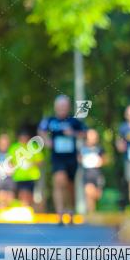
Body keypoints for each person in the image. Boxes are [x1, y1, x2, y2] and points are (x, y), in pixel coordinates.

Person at [38, 95, 86, 223]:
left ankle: (70, 210)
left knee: (69, 185)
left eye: (64, 106)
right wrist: (47, 141)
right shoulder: (50, 121)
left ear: (68, 107)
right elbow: (41, 131)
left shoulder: (74, 121)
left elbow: (85, 133)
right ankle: (59, 214)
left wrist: (73, 133)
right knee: (59, 181)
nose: (62, 109)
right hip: (57, 158)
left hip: (71, 158)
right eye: (60, 106)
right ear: (55, 107)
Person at [9, 127, 44, 208]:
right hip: (19, 177)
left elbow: (40, 161)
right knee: (22, 194)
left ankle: (29, 209)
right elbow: (10, 162)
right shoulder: (14, 147)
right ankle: (23, 209)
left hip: (32, 177)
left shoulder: (34, 147)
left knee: (30, 195)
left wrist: (31, 163)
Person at [80, 128, 107, 213]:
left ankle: (96, 211)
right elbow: (79, 158)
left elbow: (105, 159)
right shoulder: (82, 148)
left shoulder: (100, 148)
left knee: (97, 195)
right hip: (87, 173)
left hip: (97, 174)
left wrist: (101, 162)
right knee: (88, 192)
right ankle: (91, 212)